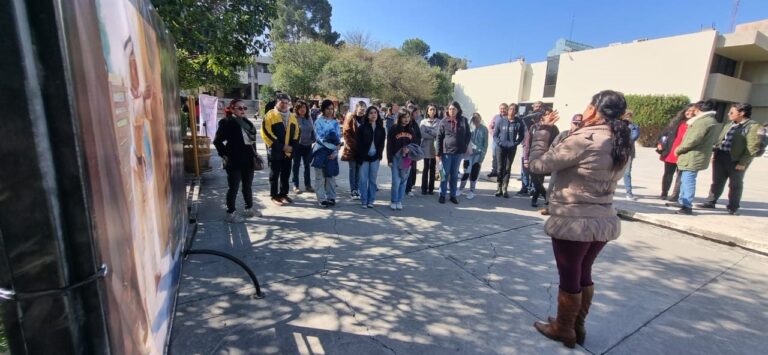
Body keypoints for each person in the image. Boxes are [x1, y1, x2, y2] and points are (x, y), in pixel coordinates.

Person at [528, 90, 632, 349]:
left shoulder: (586, 138)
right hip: (603, 220)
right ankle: (576, 325)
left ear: (595, 110)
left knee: (569, 275)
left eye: (587, 106)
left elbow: (539, 165)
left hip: (575, 220)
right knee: (583, 272)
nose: (584, 110)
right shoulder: (621, 140)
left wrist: (543, 132)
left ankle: (564, 329)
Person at [697, 103, 761, 215]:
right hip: (721, 156)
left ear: (741, 113)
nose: (728, 114)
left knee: (735, 184)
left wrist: (743, 162)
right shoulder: (729, 124)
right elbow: (720, 140)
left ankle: (733, 207)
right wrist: (715, 155)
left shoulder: (752, 126)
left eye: (732, 112)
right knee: (717, 182)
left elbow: (752, 147)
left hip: (736, 159)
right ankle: (710, 202)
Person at [665, 100, 720, 215]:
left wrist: (679, 149)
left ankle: (687, 206)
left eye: (694, 108)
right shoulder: (709, 120)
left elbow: (693, 140)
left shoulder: (703, 122)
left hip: (693, 155)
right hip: (693, 155)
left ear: (699, 109)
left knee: (688, 180)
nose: (693, 110)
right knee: (685, 179)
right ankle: (681, 201)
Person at [213, 99, 262, 222]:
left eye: (244, 108)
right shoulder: (226, 122)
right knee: (233, 187)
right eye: (239, 108)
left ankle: (249, 208)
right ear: (232, 109)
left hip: (248, 159)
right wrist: (225, 154)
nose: (243, 110)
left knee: (247, 186)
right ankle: (230, 213)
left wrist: (255, 154)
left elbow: (251, 142)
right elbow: (217, 141)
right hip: (234, 160)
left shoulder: (247, 122)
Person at [261, 93, 299, 206]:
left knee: (286, 174)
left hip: (288, 152)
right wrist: (281, 146)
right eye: (282, 102)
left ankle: (284, 194)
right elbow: (266, 133)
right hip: (275, 151)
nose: (284, 105)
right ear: (277, 102)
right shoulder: (270, 115)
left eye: (286, 103)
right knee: (274, 174)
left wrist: (293, 146)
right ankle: (274, 195)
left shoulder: (292, 116)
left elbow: (297, 132)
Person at [436, 101, 471, 204]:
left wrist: (465, 145)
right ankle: (442, 195)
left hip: (458, 152)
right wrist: (438, 152)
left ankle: (453, 195)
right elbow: (439, 137)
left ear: (458, 110)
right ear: (448, 110)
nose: (452, 111)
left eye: (454, 109)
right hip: (446, 152)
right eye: (450, 109)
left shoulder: (463, 121)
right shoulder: (443, 121)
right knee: (444, 174)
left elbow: (468, 134)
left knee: (455, 175)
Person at [656, 105, 693, 201]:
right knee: (668, 174)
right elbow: (664, 134)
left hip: (684, 153)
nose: (690, 113)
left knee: (680, 176)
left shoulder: (694, 124)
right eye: (688, 110)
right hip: (671, 152)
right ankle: (664, 192)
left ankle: (675, 195)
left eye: (692, 111)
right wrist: (660, 143)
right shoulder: (676, 122)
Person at [524, 108, 559, 207]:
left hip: (545, 157)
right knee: (536, 180)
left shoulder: (554, 128)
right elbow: (528, 143)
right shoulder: (533, 127)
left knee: (540, 180)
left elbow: (556, 142)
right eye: (545, 115)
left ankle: (536, 199)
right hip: (533, 157)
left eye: (549, 114)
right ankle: (545, 198)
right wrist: (526, 158)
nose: (547, 116)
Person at [313, 100, 342, 207]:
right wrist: (333, 146)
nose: (330, 111)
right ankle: (321, 198)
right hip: (320, 152)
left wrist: (334, 152)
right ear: (323, 109)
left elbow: (338, 139)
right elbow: (320, 138)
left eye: (331, 109)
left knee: (330, 176)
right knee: (320, 177)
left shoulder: (335, 123)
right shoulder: (318, 122)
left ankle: (331, 197)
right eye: (327, 109)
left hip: (332, 153)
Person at [356, 106, 386, 208]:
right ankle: (364, 200)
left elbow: (381, 145)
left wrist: (377, 156)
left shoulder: (381, 129)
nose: (373, 115)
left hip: (375, 158)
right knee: (363, 180)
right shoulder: (361, 128)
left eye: (375, 113)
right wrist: (363, 155)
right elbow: (358, 144)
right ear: (367, 115)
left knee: (372, 180)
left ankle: (371, 200)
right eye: (371, 113)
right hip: (364, 158)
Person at [493, 103, 525, 198]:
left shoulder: (519, 122)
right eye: (510, 109)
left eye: (514, 109)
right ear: (508, 110)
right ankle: (498, 187)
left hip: (511, 149)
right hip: (501, 148)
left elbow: (522, 136)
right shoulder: (501, 121)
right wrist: (499, 142)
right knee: (500, 168)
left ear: (516, 111)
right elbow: (495, 135)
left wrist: (515, 143)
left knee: (507, 168)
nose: (512, 111)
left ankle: (504, 188)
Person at [387, 109, 416, 210]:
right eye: (404, 117)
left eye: (408, 117)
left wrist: (409, 149)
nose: (406, 119)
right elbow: (389, 145)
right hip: (396, 158)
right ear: (400, 118)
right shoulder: (394, 129)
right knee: (396, 180)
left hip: (406, 159)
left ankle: (399, 200)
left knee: (403, 180)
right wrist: (389, 159)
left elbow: (415, 145)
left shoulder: (411, 130)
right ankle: (393, 200)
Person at [459, 113, 489, 199]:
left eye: (477, 118)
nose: (475, 120)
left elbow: (485, 144)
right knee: (466, 171)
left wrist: (482, 156)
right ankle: (461, 189)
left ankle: (471, 191)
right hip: (469, 154)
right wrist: (470, 120)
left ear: (480, 118)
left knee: (474, 173)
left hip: (478, 154)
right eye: (474, 118)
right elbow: (465, 132)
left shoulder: (484, 129)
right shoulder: (470, 128)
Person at [518, 101, 545, 195]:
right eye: (536, 106)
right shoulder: (528, 118)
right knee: (525, 168)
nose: (537, 108)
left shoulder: (545, 118)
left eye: (540, 106)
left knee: (536, 168)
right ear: (533, 107)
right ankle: (524, 187)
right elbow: (522, 129)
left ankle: (534, 189)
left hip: (538, 148)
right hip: (527, 145)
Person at [342, 101, 367, 199]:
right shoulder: (350, 118)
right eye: (360, 109)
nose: (362, 111)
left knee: (359, 170)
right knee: (353, 169)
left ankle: (357, 189)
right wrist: (354, 145)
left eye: (364, 109)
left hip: (362, 150)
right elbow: (346, 133)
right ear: (356, 108)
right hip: (352, 149)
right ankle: (353, 190)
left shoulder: (366, 119)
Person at [292, 100, 315, 194]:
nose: (302, 109)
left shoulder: (309, 118)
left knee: (307, 166)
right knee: (296, 166)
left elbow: (312, 129)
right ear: (297, 109)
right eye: (300, 107)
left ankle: (308, 185)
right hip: (297, 146)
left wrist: (314, 139)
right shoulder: (293, 118)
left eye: (304, 107)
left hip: (308, 145)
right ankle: (295, 185)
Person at [420, 104, 441, 195]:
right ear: (427, 111)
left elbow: (438, 134)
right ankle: (424, 188)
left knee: (433, 168)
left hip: (435, 148)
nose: (432, 111)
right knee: (425, 168)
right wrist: (433, 133)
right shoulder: (423, 122)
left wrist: (428, 130)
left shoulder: (439, 122)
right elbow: (422, 134)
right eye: (431, 109)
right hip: (425, 147)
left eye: (434, 109)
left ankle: (431, 188)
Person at [487, 103, 509, 178]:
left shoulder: (509, 117)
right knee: (495, 156)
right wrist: (494, 134)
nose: (502, 110)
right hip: (496, 141)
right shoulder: (496, 117)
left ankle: (503, 172)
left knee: (504, 157)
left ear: (507, 109)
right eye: (501, 108)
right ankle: (494, 171)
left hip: (505, 141)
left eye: (504, 108)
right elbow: (490, 126)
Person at [623, 110, 641, 200]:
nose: (627, 118)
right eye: (625, 116)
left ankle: (629, 192)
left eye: (629, 116)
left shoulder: (634, 127)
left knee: (627, 173)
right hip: (616, 152)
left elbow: (633, 137)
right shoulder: (617, 126)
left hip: (628, 152)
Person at [405, 106, 423, 196]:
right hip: (407, 151)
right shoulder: (408, 124)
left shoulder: (415, 124)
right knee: (407, 169)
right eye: (416, 113)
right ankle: (406, 188)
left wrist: (416, 147)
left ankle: (410, 186)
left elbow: (419, 136)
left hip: (414, 150)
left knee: (412, 169)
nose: (417, 114)